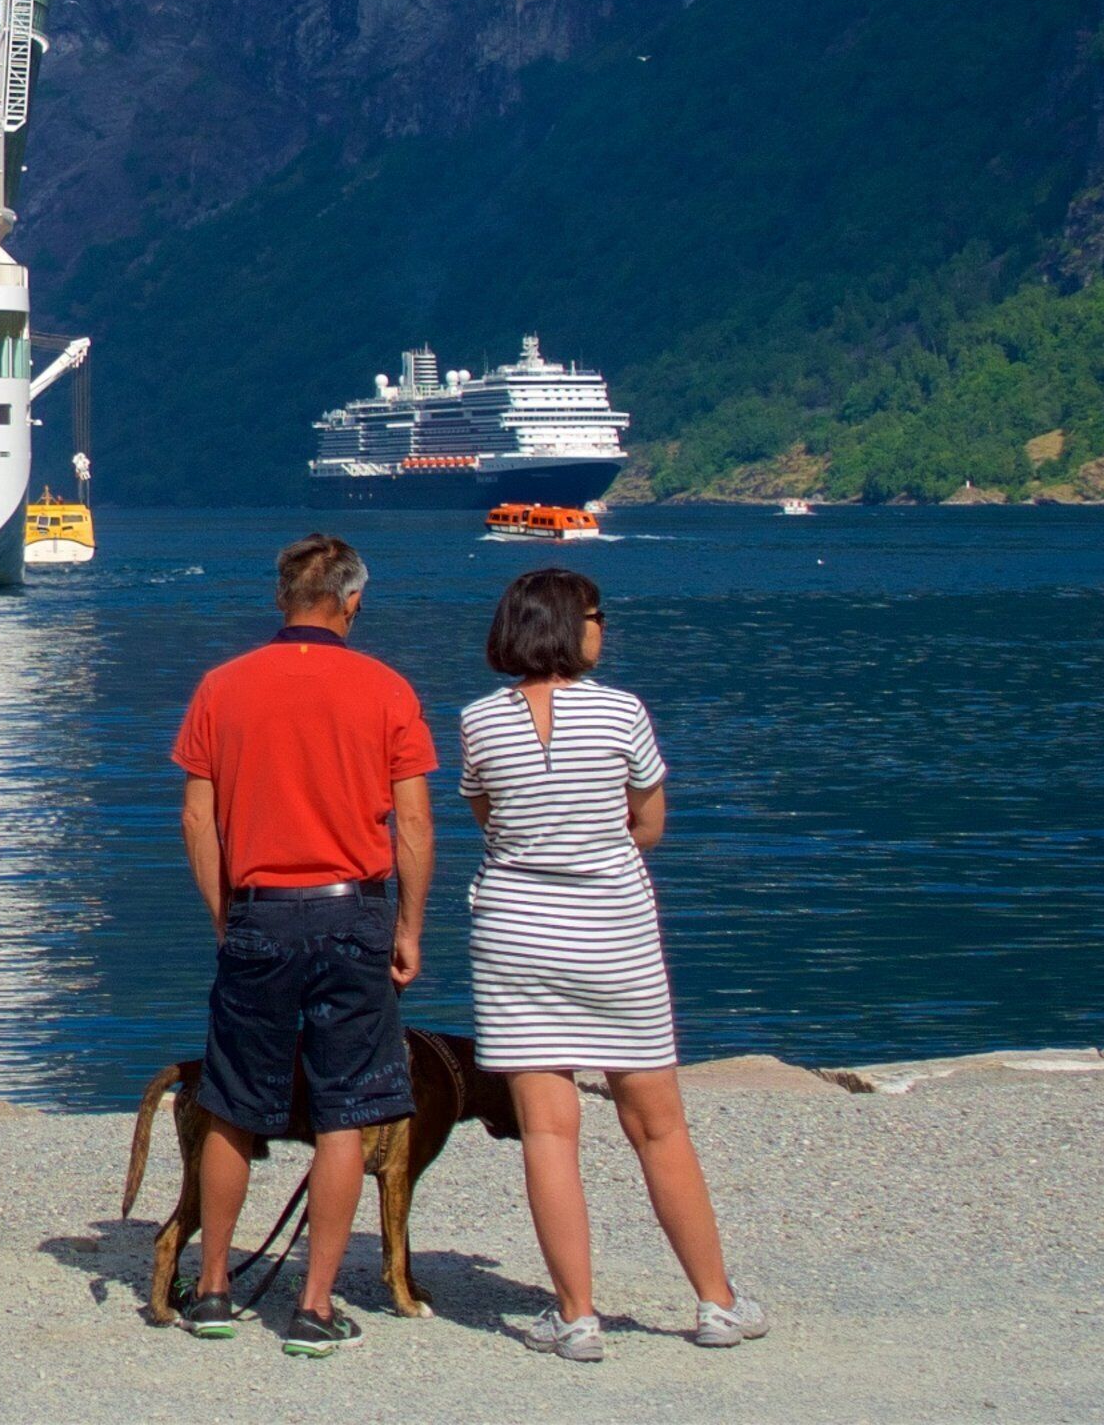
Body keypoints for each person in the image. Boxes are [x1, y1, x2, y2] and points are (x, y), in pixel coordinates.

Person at [461, 567, 764, 1359]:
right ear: (570, 626)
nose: (604, 627)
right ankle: (716, 1302)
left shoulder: (477, 722)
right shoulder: (624, 712)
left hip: (518, 935)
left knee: (548, 1133)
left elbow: (488, 820)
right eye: (597, 615)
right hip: (613, 931)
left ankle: (577, 1316)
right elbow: (649, 825)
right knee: (658, 1127)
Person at [169, 533, 435, 1356]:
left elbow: (196, 818)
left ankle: (213, 1288)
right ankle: (314, 1308)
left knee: (233, 1103)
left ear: (281, 599)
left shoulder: (223, 686)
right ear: (352, 601)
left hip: (261, 911)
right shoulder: (387, 688)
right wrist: (409, 927)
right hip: (352, 912)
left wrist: (226, 914)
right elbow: (415, 824)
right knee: (345, 1111)